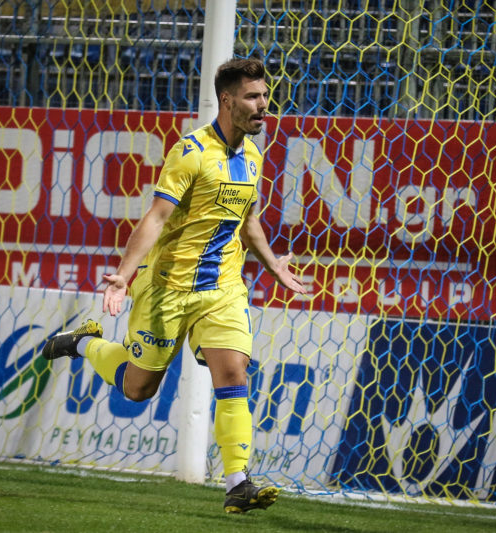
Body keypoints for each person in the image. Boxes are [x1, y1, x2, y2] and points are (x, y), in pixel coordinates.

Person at [40, 57, 306, 513]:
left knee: (234, 372)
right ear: (227, 101)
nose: (264, 104)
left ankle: (238, 483)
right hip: (168, 288)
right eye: (253, 97)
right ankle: (83, 342)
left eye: (265, 95)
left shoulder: (253, 156)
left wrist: (275, 267)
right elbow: (157, 217)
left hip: (222, 288)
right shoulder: (191, 152)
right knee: (138, 389)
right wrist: (124, 275)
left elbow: (249, 222)